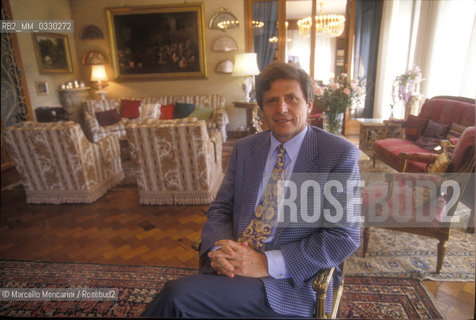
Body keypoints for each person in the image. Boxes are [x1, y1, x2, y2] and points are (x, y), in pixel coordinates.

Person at [142, 61, 361, 318]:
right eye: (271, 101)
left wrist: (265, 263)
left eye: (291, 98)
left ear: (309, 105)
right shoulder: (246, 148)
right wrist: (217, 250)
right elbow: (222, 208)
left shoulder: (336, 153)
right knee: (181, 299)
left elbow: (343, 236)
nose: (281, 109)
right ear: (261, 109)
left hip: (291, 281)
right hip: (234, 265)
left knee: (176, 298)